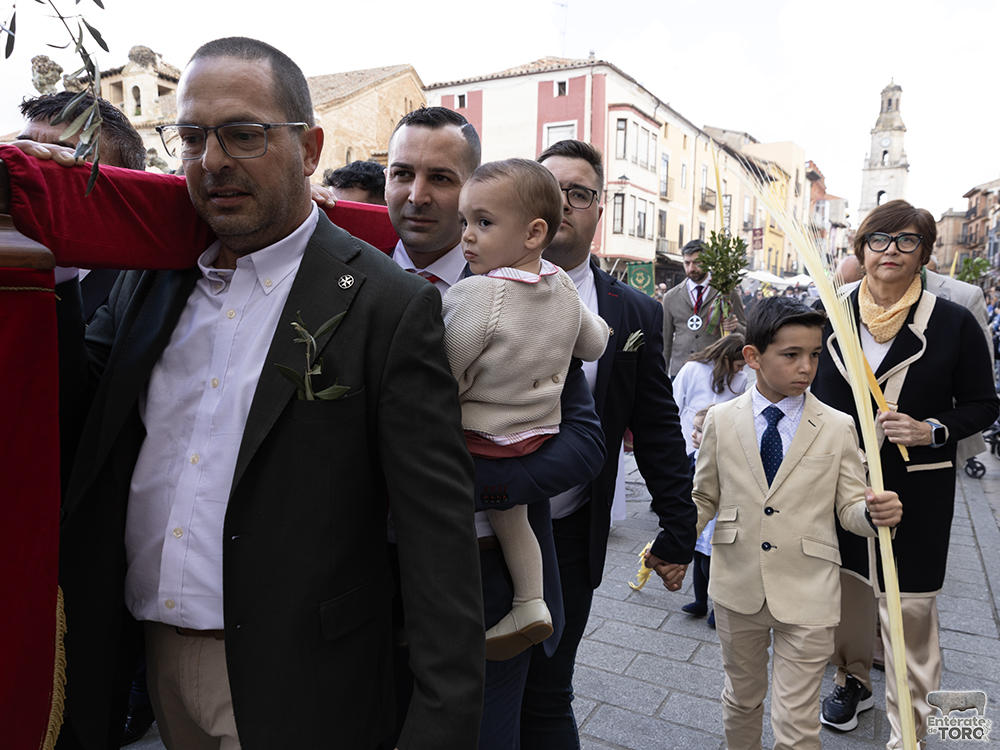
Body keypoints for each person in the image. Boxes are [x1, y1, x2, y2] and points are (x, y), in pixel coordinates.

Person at [42, 37, 486, 750]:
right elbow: (73, 409)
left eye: (243, 135)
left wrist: (440, 726)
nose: (212, 160)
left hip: (299, 681)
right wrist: (54, 245)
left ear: (309, 149)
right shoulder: (151, 277)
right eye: (191, 137)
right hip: (148, 662)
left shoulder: (384, 305)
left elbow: (438, 542)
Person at [383, 110, 606, 750]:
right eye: (402, 173)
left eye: (441, 177)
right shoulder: (351, 272)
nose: (418, 195)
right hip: (367, 573)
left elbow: (585, 439)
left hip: (485, 574)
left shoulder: (529, 292)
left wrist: (479, 484)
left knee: (482, 735)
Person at [519, 139, 696, 749]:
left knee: (548, 691)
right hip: (471, 529)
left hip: (570, 532)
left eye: (581, 193)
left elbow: (655, 424)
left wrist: (679, 523)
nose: (565, 203)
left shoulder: (635, 311)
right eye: (552, 187)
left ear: (599, 209)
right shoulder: (473, 280)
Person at [677, 295, 903, 750]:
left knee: (798, 722)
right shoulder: (721, 420)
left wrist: (875, 515)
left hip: (809, 589)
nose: (806, 367)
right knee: (741, 700)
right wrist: (673, 542)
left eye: (815, 355)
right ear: (753, 357)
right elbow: (704, 495)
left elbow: (848, 510)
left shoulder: (838, 426)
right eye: (792, 355)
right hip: (737, 583)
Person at [812, 200, 998, 748]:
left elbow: (984, 404)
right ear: (860, 249)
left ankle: (914, 731)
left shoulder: (954, 320)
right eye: (879, 239)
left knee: (911, 609)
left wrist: (932, 428)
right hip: (840, 486)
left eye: (906, 240)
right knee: (848, 598)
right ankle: (852, 683)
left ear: (924, 253)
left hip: (918, 491)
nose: (890, 250)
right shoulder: (830, 312)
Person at [442, 158, 609, 659]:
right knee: (514, 520)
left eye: (484, 223)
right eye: (465, 222)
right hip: (534, 434)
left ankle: (448, 610)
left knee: (458, 517)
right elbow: (596, 343)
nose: (468, 236)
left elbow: (442, 376)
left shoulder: (476, 294)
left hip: (478, 435)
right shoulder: (560, 284)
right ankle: (530, 600)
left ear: (534, 232)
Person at [661, 239, 747, 377]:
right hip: (680, 372)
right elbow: (665, 341)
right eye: (687, 263)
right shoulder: (671, 297)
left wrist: (735, 326)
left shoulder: (727, 292)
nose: (691, 268)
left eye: (697, 262)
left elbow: (746, 333)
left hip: (716, 371)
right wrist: (662, 376)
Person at [671, 334, 747, 454]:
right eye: (739, 365)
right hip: (689, 435)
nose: (741, 370)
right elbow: (675, 401)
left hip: (719, 441)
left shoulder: (741, 378)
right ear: (726, 358)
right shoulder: (692, 368)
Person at [682, 406, 715, 626]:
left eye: (699, 430)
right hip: (697, 520)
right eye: (693, 428)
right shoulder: (692, 458)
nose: (693, 434)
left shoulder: (718, 461)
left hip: (713, 521)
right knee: (698, 561)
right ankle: (700, 601)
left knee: (711, 565)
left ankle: (718, 608)